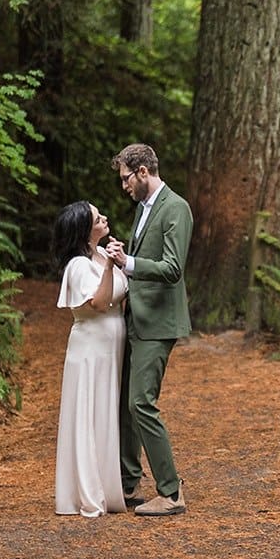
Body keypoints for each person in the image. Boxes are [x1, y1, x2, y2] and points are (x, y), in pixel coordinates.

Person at [105, 143, 192, 517]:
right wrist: (127, 258)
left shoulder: (176, 208)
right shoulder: (144, 208)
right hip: (135, 318)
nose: (123, 185)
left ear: (143, 172)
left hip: (158, 322)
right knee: (126, 405)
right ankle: (127, 487)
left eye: (126, 178)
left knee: (141, 402)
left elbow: (172, 268)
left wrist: (129, 262)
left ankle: (171, 493)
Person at [52, 201, 129, 517]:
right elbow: (98, 302)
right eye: (98, 218)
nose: (105, 218)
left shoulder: (98, 256)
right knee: (88, 412)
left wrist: (117, 262)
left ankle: (107, 485)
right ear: (85, 230)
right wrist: (110, 267)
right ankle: (88, 492)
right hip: (90, 350)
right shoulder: (79, 266)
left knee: (104, 411)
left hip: (109, 346)